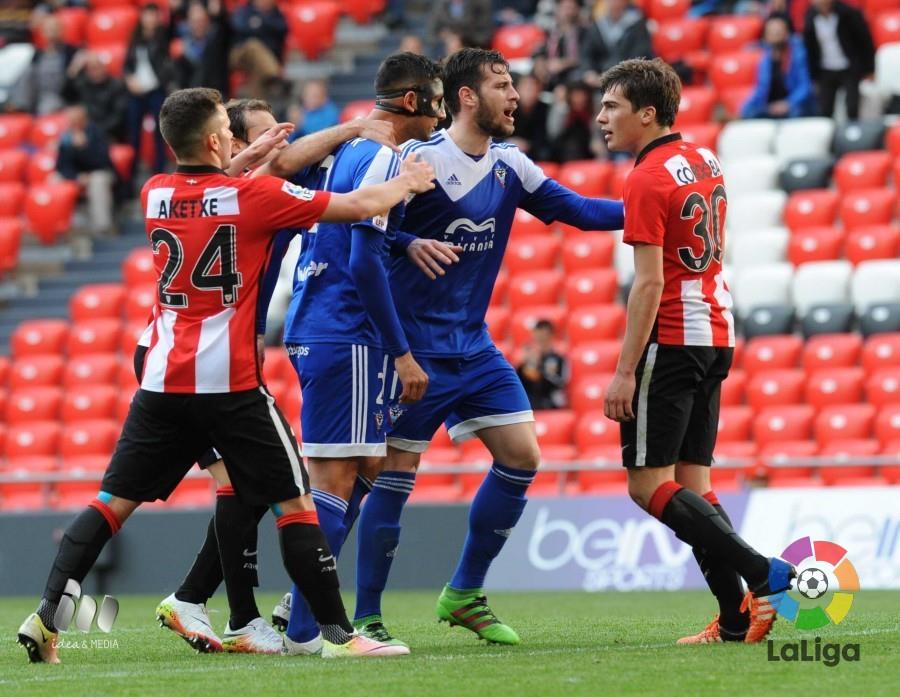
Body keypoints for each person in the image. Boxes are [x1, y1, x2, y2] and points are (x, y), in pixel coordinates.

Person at [15, 86, 436, 665]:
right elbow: (360, 207)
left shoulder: (155, 193)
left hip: (161, 381)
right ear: (217, 139)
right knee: (294, 502)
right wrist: (408, 181)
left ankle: (47, 618)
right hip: (230, 384)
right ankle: (340, 637)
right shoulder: (258, 196)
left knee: (113, 502)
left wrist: (239, 159)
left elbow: (206, 193)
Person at [352, 47, 623, 646]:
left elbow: (578, 210)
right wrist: (404, 245)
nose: (515, 96)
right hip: (413, 351)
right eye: (503, 85)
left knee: (523, 454)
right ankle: (366, 614)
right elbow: (363, 230)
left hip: (473, 347)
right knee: (395, 473)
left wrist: (651, 211)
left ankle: (465, 592)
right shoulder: (414, 159)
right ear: (467, 96)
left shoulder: (511, 166)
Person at [150, 105, 408, 655]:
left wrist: (406, 241)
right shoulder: (242, 193)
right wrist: (355, 130)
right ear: (226, 143)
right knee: (250, 483)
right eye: (265, 131)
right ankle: (236, 612)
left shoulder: (231, 189)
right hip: (202, 362)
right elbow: (301, 170)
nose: (281, 139)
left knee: (250, 483)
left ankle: (220, 605)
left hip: (219, 356)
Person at [595, 57, 795, 645]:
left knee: (646, 483)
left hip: (675, 338)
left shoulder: (645, 178)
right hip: (716, 331)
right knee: (693, 482)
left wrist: (624, 371)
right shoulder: (704, 158)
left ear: (647, 114)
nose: (603, 118)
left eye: (613, 107)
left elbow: (650, 283)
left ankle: (765, 576)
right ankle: (736, 619)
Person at [275, 52, 456, 654]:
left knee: (369, 471)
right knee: (335, 479)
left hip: (325, 323)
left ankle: (301, 605)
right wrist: (401, 352)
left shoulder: (353, 150)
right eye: (436, 98)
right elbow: (360, 259)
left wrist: (403, 241)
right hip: (345, 329)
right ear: (411, 102)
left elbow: (353, 232)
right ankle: (316, 629)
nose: (442, 110)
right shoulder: (386, 155)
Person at [124, 2, 175, 177]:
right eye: (147, 14)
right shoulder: (135, 38)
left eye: (154, 15)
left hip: (156, 89)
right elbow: (127, 65)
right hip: (136, 92)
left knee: (159, 133)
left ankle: (159, 171)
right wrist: (129, 79)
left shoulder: (162, 37)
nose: (150, 19)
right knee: (134, 134)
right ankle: (132, 173)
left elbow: (166, 65)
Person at [802, 0, 875, 120]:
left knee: (852, 107)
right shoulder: (810, 17)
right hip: (825, 69)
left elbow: (865, 42)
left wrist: (870, 69)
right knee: (825, 110)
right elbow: (810, 49)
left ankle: (853, 134)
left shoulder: (849, 13)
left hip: (849, 67)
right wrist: (813, 75)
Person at [56, 105, 117, 237]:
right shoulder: (66, 137)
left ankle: (102, 227)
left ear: (83, 120)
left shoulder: (96, 133)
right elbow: (61, 166)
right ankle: (57, 226)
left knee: (98, 180)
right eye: (70, 121)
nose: (72, 124)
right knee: (54, 179)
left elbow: (103, 162)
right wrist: (76, 177)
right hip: (78, 176)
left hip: (99, 172)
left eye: (75, 120)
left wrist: (84, 148)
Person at [742, 14, 818, 119]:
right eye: (771, 31)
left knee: (796, 113)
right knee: (751, 113)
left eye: (778, 31)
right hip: (772, 108)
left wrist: (788, 104)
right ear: (765, 36)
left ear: (787, 33)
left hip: (795, 106)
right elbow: (760, 91)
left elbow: (805, 87)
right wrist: (745, 110)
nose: (775, 34)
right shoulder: (765, 60)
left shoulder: (798, 54)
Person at [10, 13, 76, 115]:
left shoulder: (70, 52)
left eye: (55, 29)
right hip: (38, 95)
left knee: (48, 105)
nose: (52, 33)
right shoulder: (38, 54)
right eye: (49, 29)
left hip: (59, 97)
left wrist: (75, 66)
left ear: (62, 31)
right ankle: (22, 108)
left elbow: (85, 56)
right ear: (43, 32)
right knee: (28, 71)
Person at [581, 0, 653, 89]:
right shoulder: (598, 25)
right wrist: (589, 71)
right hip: (599, 77)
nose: (613, 2)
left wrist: (621, 75)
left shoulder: (636, 25)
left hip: (628, 78)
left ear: (625, 2)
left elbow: (641, 53)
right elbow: (587, 53)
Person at [62, 51, 129, 141]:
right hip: (84, 132)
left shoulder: (116, 86)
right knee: (64, 142)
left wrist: (93, 133)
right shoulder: (83, 84)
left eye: (97, 67)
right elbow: (65, 94)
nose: (94, 72)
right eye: (91, 69)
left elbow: (118, 118)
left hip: (108, 133)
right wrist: (73, 70)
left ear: (104, 67)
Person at [229, 0, 287, 98]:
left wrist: (260, 21)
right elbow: (239, 26)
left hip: (260, 61)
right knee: (254, 45)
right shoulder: (244, 11)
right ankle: (274, 74)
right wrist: (266, 27)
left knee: (257, 70)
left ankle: (257, 106)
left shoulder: (277, 14)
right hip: (241, 55)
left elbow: (282, 29)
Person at [517, 319, 568, 409]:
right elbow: (519, 382)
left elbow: (559, 383)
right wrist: (523, 365)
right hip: (529, 406)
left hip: (551, 405)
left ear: (551, 336)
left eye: (543, 337)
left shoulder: (558, 359)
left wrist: (539, 366)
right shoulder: (528, 360)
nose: (540, 340)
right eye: (537, 337)